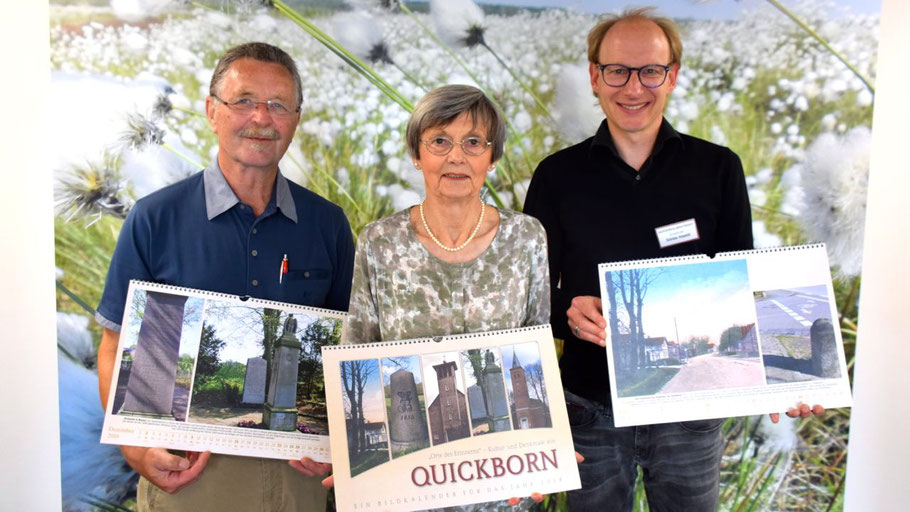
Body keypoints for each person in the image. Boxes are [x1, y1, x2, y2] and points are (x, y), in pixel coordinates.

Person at [523, 8, 822, 511]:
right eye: (617, 70)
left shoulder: (719, 168)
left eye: (650, 71)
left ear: (673, 77)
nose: (633, 88)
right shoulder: (556, 176)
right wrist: (567, 316)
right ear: (594, 77)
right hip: (589, 411)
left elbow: (745, 285)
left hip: (692, 414)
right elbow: (529, 302)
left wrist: (791, 378)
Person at [95, 42, 355, 511]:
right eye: (244, 101)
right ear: (212, 111)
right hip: (190, 483)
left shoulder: (328, 224)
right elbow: (115, 346)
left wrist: (339, 442)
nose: (261, 118)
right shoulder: (154, 219)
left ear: (296, 120)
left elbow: (347, 348)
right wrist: (134, 447)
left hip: (298, 486)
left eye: (278, 105)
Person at [339, 84, 552, 507]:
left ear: (492, 157)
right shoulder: (379, 241)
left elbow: (539, 350)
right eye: (439, 141)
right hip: (405, 491)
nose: (457, 156)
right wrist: (349, 465)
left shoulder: (527, 237)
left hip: (502, 486)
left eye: (473, 142)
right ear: (417, 155)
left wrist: (547, 456)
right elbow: (356, 347)